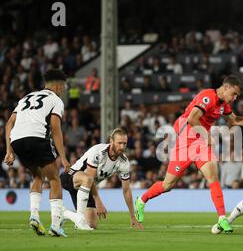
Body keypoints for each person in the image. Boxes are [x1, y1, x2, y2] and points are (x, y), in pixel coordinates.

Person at [135, 75, 243, 233]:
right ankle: (141, 200)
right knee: (167, 185)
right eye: (234, 93)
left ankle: (222, 218)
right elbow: (192, 119)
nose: (235, 98)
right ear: (225, 87)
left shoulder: (223, 104)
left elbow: (235, 121)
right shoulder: (207, 96)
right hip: (186, 139)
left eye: (237, 95)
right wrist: (207, 136)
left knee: (212, 176)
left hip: (200, 142)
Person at [3, 69, 71, 237]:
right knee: (55, 179)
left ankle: (34, 215)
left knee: (38, 177)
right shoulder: (55, 100)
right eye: (63, 87)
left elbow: (8, 124)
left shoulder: (26, 97)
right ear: (57, 85)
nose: (63, 90)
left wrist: (9, 150)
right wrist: (63, 157)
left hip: (17, 140)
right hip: (37, 137)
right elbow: (55, 128)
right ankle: (55, 225)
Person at [60, 128, 143, 230]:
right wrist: (98, 202)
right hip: (70, 177)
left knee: (91, 225)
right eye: (119, 143)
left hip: (87, 188)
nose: (122, 147)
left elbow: (126, 190)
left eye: (124, 144)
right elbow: (90, 177)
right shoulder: (98, 152)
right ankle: (79, 219)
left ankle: (65, 214)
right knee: (88, 179)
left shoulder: (123, 162)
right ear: (111, 141)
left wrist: (132, 216)